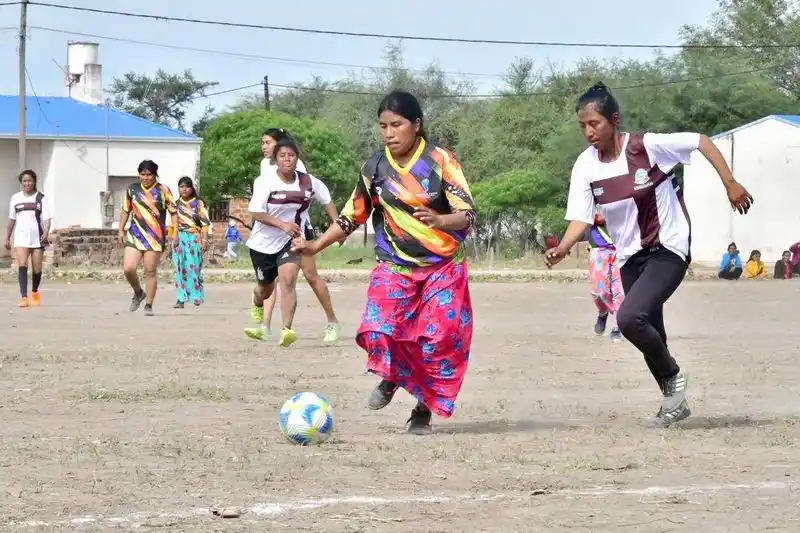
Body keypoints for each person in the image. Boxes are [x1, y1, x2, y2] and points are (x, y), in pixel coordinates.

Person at [544, 82, 753, 427]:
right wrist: (563, 248)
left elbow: (700, 140)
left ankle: (674, 378)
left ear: (614, 120)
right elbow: (581, 217)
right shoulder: (585, 166)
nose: (588, 132)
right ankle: (674, 403)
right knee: (650, 329)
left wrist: (729, 183)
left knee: (629, 319)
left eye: (594, 123)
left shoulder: (646, 147)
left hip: (667, 247)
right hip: (628, 256)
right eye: (582, 125)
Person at [291, 90, 477, 435]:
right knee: (379, 331)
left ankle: (423, 408)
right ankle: (392, 376)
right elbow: (351, 216)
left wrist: (441, 221)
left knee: (436, 341)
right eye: (383, 126)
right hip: (395, 267)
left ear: (416, 125)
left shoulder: (441, 161)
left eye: (397, 125)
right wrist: (315, 245)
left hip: (442, 268)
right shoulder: (374, 168)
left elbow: (467, 215)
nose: (390, 133)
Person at [244, 135, 340, 347]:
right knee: (264, 289)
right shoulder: (265, 181)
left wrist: (338, 227)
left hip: (292, 240)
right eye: (282, 156)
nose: (287, 159)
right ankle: (258, 304)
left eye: (291, 156)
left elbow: (327, 200)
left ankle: (287, 329)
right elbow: (256, 212)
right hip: (262, 244)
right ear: (275, 160)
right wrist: (281, 224)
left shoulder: (308, 181)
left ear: (297, 158)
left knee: (288, 280)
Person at [118, 160, 178, 316]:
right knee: (128, 268)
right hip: (135, 234)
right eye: (143, 174)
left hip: (155, 236)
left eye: (149, 174)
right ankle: (138, 292)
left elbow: (173, 213)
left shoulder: (163, 190)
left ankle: (149, 305)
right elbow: (125, 210)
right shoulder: (132, 189)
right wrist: (120, 230)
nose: (146, 178)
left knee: (149, 271)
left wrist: (175, 234)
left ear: (154, 174)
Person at [5, 170, 50, 308]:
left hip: (37, 237)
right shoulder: (15, 198)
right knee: (22, 264)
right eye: (24, 181)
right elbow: (12, 219)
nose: (27, 183)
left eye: (29, 180)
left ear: (34, 181)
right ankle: (24, 297)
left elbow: (47, 218)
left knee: (37, 268)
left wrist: (46, 232)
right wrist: (7, 237)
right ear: (21, 183)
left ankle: (35, 292)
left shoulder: (41, 198)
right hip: (21, 237)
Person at [172, 177, 210, 308]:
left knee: (194, 267)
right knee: (179, 267)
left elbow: (205, 224)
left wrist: (205, 240)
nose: (184, 189)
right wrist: (173, 237)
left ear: (192, 188)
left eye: (186, 186)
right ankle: (180, 298)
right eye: (181, 186)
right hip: (179, 237)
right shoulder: (175, 204)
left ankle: (196, 296)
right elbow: (173, 224)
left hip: (194, 237)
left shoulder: (198, 203)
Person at [586, 212, 624, 341]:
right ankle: (603, 312)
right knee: (599, 292)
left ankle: (616, 327)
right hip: (598, 249)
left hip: (622, 248)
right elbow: (596, 217)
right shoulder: (593, 194)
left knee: (620, 291)